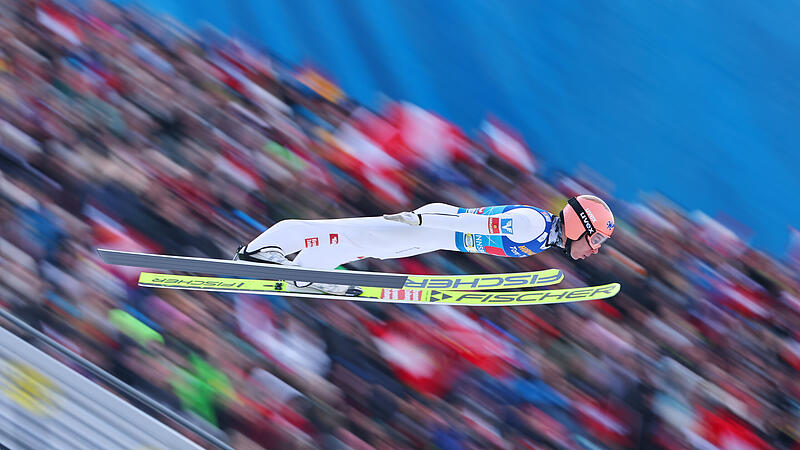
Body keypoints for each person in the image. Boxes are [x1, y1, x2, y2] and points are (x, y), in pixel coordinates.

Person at [234, 195, 615, 295]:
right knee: (347, 231)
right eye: (596, 237)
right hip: (428, 228)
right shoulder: (532, 224)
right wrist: (421, 220)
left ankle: (306, 272)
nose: (595, 248)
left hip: (430, 235)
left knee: (361, 247)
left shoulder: (539, 236)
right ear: (579, 225)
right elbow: (469, 221)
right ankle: (258, 251)